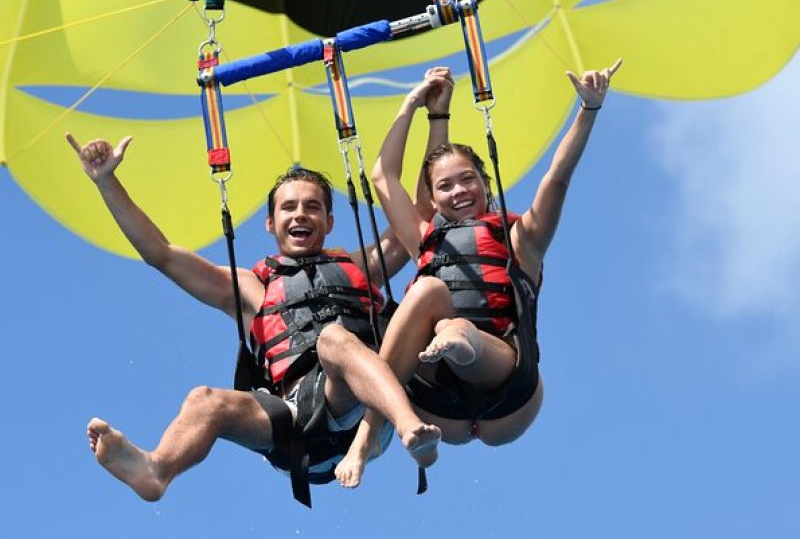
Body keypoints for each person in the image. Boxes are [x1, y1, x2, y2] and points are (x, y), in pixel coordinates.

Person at [66, 133, 440, 504]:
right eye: (288, 207)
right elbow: (160, 253)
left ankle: (409, 427)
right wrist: (106, 181)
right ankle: (155, 469)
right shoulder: (250, 287)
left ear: (328, 221)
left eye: (312, 207)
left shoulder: (361, 266)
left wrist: (436, 115)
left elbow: (420, 213)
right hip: (295, 424)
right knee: (204, 400)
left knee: (335, 340)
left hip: (365, 414)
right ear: (269, 223)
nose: (300, 214)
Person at [334, 60, 622, 488]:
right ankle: (377, 435)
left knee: (451, 323)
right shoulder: (424, 237)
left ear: (486, 184)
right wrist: (412, 105)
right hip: (437, 409)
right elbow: (382, 176)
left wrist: (589, 111)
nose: (459, 191)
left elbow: (556, 179)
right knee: (428, 289)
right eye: (445, 187)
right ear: (432, 198)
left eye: (467, 179)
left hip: (508, 390)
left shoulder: (521, 238)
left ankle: (457, 341)